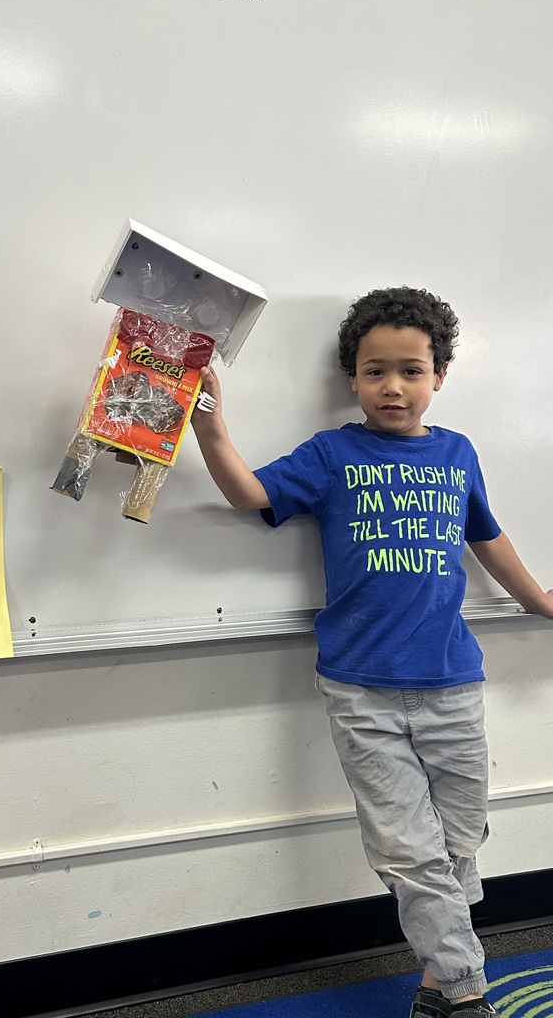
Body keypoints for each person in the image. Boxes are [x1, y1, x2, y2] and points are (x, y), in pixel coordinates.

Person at [190, 286, 553, 1018]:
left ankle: (434, 986)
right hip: (362, 690)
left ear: (438, 376)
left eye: (411, 371)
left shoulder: (457, 453)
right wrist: (210, 428)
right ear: (352, 379)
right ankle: (466, 989)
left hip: (453, 682)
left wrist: (540, 602)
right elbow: (250, 494)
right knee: (407, 850)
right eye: (374, 371)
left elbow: (487, 536)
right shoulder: (333, 454)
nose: (393, 386)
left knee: (459, 842)